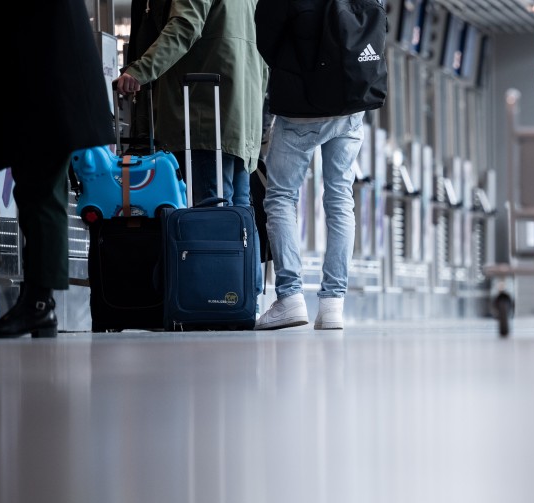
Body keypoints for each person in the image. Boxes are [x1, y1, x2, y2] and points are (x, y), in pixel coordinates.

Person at [0, 0, 114, 338]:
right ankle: (39, 303)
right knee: (38, 189)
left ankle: (39, 303)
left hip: (48, 77)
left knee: (40, 192)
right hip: (48, 75)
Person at [251, 0, 386, 330]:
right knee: (340, 199)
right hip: (351, 104)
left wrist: (297, 67)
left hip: (300, 107)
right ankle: (332, 305)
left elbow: (264, 38)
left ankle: (290, 297)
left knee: (281, 197)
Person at [115, 0, 267, 218]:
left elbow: (184, 26)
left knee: (210, 212)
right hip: (241, 118)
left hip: (203, 116)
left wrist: (141, 70)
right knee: (238, 214)